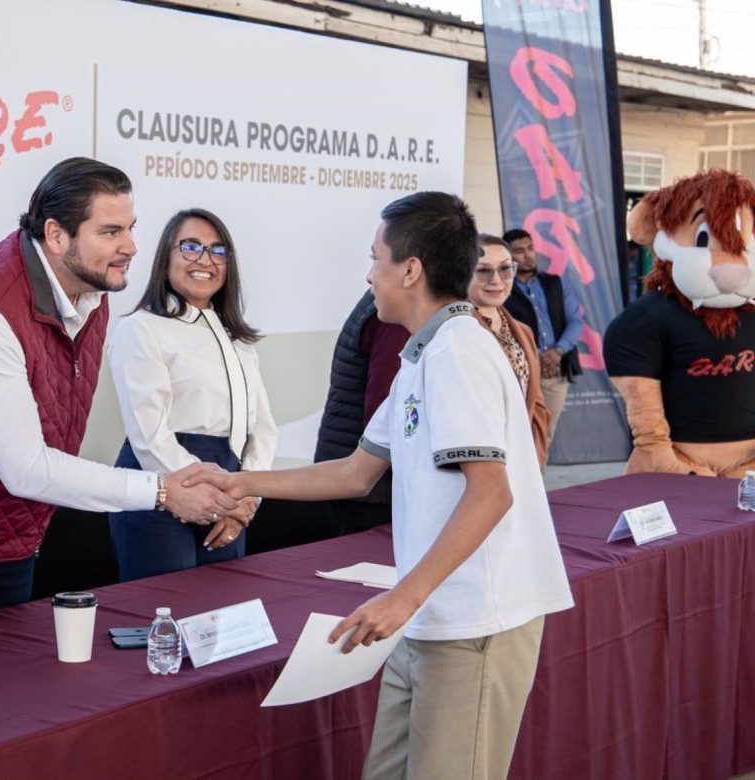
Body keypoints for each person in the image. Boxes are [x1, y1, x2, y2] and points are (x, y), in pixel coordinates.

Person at [186, 192, 573, 779]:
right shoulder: (423, 356)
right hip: (426, 616)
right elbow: (355, 471)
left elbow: (491, 492)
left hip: (474, 620)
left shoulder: (459, 355)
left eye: (376, 259)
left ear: (410, 269)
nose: (369, 274)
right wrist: (239, 481)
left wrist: (403, 596)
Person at [0, 158, 237, 633]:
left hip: (14, 529)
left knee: (6, 690)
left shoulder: (94, 287)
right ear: (56, 235)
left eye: (131, 229)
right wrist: (162, 491)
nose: (131, 248)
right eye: (111, 232)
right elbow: (26, 468)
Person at [107, 208, 276, 581]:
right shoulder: (142, 329)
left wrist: (247, 496)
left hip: (229, 492)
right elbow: (149, 436)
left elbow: (262, 430)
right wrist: (210, 493)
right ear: (166, 256)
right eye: (191, 247)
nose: (205, 260)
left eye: (218, 251)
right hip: (160, 488)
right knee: (164, 621)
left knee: (221, 616)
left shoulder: (239, 341)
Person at [314, 290, 409, 534]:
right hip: (374, 488)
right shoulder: (395, 317)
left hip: (366, 481)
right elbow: (387, 410)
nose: (369, 275)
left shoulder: (394, 308)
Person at [470, 234, 550, 468]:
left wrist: (535, 454)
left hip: (521, 460)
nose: (496, 280)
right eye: (483, 270)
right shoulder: (453, 329)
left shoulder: (523, 332)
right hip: (475, 463)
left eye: (505, 269)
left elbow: (536, 403)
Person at [502, 228, 584, 447]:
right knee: (519, 436)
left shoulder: (556, 283)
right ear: (508, 257)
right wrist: (537, 357)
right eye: (519, 251)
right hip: (521, 373)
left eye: (530, 248)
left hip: (554, 371)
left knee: (545, 435)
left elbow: (575, 321)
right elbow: (503, 332)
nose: (527, 255)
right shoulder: (502, 290)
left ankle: (537, 481)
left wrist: (557, 351)